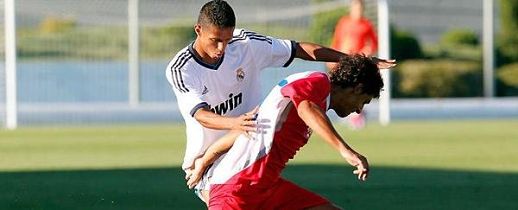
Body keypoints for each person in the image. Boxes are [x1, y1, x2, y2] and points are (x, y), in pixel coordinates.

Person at [165, 0, 395, 203]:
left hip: (249, 148)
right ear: (198, 30)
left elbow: (298, 49)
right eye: (215, 40)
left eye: (227, 39)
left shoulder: (245, 44)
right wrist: (233, 126)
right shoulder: (181, 68)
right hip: (214, 170)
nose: (222, 48)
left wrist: (356, 62)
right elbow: (201, 115)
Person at [187, 54, 383, 210]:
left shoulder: (314, 98)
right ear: (357, 89)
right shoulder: (318, 82)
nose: (359, 110)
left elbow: (247, 129)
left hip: (265, 188)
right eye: (363, 101)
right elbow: (306, 108)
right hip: (237, 190)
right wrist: (345, 150)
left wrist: (205, 160)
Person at [328, 0, 379, 130]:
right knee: (341, 87)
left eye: (361, 8)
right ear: (351, 8)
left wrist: (367, 51)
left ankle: (357, 116)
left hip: (358, 64)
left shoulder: (366, 25)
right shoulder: (343, 22)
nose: (358, 10)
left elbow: (374, 43)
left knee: (357, 88)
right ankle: (347, 114)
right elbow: (337, 40)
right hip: (344, 61)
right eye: (356, 7)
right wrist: (331, 58)